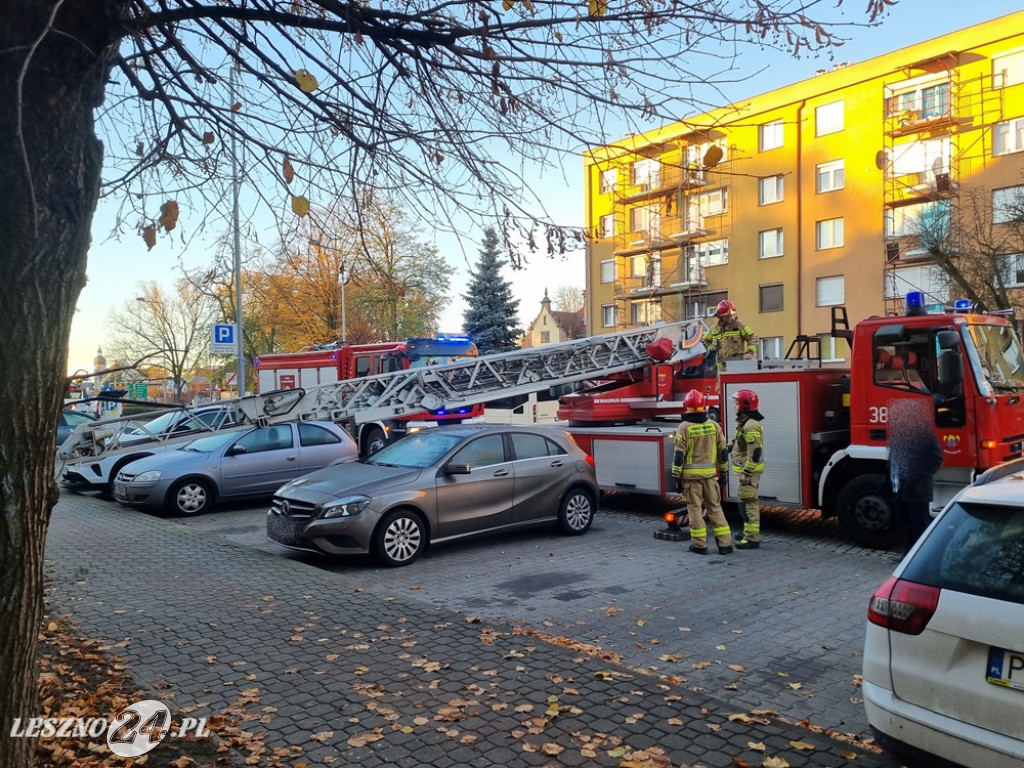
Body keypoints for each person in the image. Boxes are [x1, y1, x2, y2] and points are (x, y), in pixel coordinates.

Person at [671, 389, 733, 555]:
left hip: (691, 480)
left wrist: (676, 477)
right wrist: (725, 474)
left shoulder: (684, 427)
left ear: (687, 406)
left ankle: (700, 545)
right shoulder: (714, 426)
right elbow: (723, 452)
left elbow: (679, 455)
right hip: (711, 478)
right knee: (715, 509)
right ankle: (725, 544)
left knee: (695, 510)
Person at [885, 398, 944, 554]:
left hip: (917, 490)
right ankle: (908, 554)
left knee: (919, 524)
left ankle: (921, 555)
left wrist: (917, 477)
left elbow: (936, 459)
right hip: (900, 490)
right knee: (906, 524)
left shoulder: (924, 434)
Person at [730, 388, 765, 549]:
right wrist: (726, 448)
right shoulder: (745, 422)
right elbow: (740, 444)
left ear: (745, 405)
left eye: (736, 403)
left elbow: (755, 452)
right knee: (743, 501)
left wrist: (747, 473)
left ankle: (752, 538)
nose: (734, 406)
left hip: (749, 473)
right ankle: (747, 532)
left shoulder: (751, 426)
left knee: (748, 502)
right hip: (746, 472)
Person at [704, 300, 756, 369]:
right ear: (720, 316)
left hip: (737, 367)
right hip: (721, 369)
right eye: (727, 316)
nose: (730, 318)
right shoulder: (714, 329)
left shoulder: (739, 325)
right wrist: (712, 348)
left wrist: (750, 352)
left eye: (731, 315)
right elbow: (705, 340)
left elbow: (752, 337)